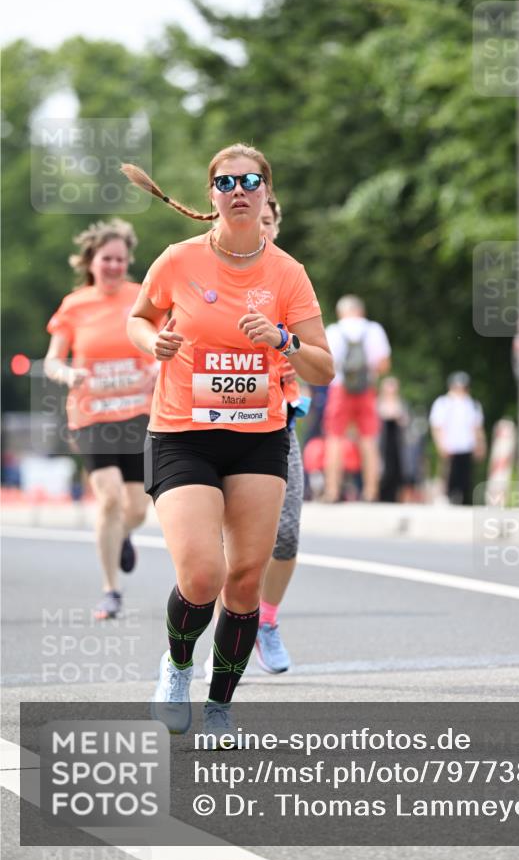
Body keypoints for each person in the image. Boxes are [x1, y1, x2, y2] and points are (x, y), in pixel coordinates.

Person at [123, 144, 333, 738]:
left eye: (250, 180)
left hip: (257, 439)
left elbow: (323, 368)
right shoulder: (178, 260)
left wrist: (283, 341)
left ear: (267, 193)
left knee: (244, 579)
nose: (238, 189)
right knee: (201, 575)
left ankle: (220, 704)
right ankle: (177, 665)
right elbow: (139, 318)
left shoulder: (287, 274)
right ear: (212, 195)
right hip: (183, 434)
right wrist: (151, 344)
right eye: (225, 181)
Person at [203, 195, 309, 678]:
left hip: (276, 425)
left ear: (275, 226)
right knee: (228, 549)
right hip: (215, 427)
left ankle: (265, 620)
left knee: (283, 537)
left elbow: (318, 355)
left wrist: (288, 347)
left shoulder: (289, 280)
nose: (259, 228)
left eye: (268, 221)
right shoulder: (212, 275)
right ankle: (220, 637)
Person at [44, 219, 153, 618]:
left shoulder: (142, 297)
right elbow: (54, 360)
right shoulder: (75, 305)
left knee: (137, 509)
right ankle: (111, 591)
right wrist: (67, 373)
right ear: (92, 261)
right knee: (108, 498)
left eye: (121, 260)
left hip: (138, 413)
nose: (113, 266)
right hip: (92, 414)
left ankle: (121, 536)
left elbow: (160, 343)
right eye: (107, 258)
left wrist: (158, 365)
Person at [323, 295, 391, 502]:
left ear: (341, 312)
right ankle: (371, 491)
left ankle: (332, 491)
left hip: (339, 389)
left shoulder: (334, 331)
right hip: (366, 389)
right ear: (361, 311)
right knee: (369, 439)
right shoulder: (373, 330)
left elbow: (326, 363)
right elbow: (384, 364)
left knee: (335, 438)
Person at [429, 371, 486, 506]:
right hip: (450, 446)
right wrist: (440, 444)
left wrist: (481, 445)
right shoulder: (443, 403)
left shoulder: (473, 404)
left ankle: (465, 501)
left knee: (466, 478)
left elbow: (477, 427)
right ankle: (446, 498)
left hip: (467, 446)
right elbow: (437, 426)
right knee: (448, 476)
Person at [377, 376, 409, 503]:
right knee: (383, 468)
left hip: (397, 442)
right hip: (382, 442)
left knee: (397, 469)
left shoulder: (401, 403)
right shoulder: (378, 402)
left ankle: (395, 496)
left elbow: (405, 421)